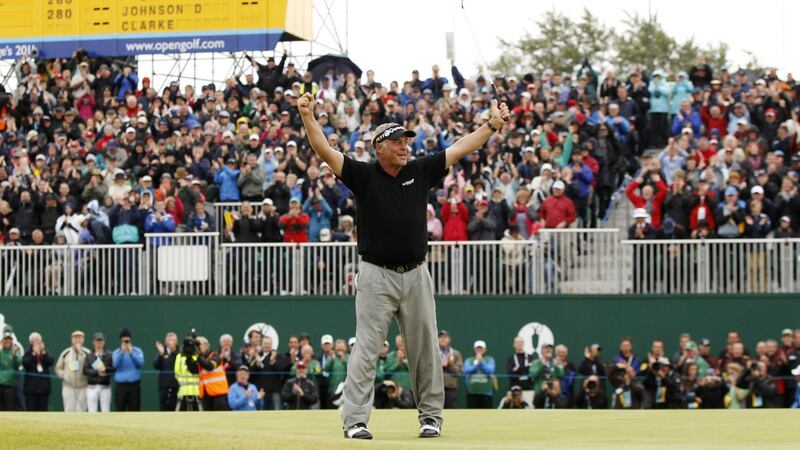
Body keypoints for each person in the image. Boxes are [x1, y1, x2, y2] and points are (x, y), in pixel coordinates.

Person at [298, 89, 510, 439]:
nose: (405, 145)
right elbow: (324, 150)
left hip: (416, 274)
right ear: (379, 146)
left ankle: (431, 418)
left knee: (425, 349)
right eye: (397, 141)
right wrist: (308, 115)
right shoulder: (363, 175)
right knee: (366, 350)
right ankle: (355, 422)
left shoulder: (420, 170)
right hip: (375, 275)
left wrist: (491, 125)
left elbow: (460, 148)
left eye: (406, 140)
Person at [55, 330, 90, 412]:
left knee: (81, 411)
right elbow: (58, 368)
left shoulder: (88, 352)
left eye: (80, 338)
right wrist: (62, 374)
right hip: (68, 387)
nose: (77, 340)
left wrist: (81, 352)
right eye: (75, 338)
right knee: (68, 410)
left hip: (83, 387)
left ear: (83, 339)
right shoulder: (65, 353)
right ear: (72, 339)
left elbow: (96, 365)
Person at [113, 328, 144, 411]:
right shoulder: (116, 352)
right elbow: (115, 365)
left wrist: (131, 353)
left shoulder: (137, 351)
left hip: (134, 386)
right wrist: (122, 352)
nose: (126, 343)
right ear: (121, 341)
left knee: (134, 410)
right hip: (121, 387)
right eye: (124, 340)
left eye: (127, 340)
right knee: (120, 410)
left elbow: (140, 363)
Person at [83, 332, 115, 413]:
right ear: (93, 342)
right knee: (92, 412)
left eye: (101, 340)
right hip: (91, 387)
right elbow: (85, 370)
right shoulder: (89, 355)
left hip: (105, 387)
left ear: (104, 342)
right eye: (97, 340)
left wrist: (105, 369)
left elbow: (114, 368)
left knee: (105, 411)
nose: (99, 342)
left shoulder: (110, 354)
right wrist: (97, 372)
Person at [22, 332, 54, 411]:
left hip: (43, 389)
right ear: (32, 343)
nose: (39, 343)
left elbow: (50, 362)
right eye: (37, 341)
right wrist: (33, 354)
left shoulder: (45, 352)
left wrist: (43, 353)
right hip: (31, 389)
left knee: (43, 411)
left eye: (40, 341)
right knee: (31, 411)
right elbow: (25, 363)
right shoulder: (28, 352)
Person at [464, 340, 496, 409]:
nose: (479, 350)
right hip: (472, 392)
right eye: (477, 348)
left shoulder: (490, 359)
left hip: (486, 393)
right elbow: (466, 371)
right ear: (474, 350)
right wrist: (477, 365)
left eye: (481, 348)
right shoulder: (469, 360)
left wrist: (481, 362)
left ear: (485, 350)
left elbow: (490, 371)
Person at [153, 332, 180, 411]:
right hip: (164, 387)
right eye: (169, 340)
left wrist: (173, 352)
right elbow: (156, 365)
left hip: (176, 387)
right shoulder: (162, 352)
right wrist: (161, 355)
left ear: (176, 342)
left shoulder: (179, 352)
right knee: (163, 409)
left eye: (173, 340)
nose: (170, 342)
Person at [437, 330, 463, 409]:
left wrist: (450, 363)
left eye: (445, 337)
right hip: (436, 387)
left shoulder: (455, 354)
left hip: (451, 387)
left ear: (449, 339)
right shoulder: (433, 353)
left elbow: (459, 370)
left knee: (450, 410)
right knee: (436, 410)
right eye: (440, 337)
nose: (442, 339)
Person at [507, 336, 534, 407]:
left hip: (528, 389)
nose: (519, 344)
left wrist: (517, 369)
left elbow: (532, 372)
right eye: (517, 342)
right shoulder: (511, 358)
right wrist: (527, 367)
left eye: (521, 342)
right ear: (514, 344)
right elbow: (510, 374)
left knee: (530, 411)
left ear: (524, 343)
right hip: (515, 390)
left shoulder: (530, 357)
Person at [0, 329, 22, 411]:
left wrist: (14, 355)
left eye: (10, 340)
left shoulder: (14, 352)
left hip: (9, 385)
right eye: (6, 340)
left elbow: (18, 364)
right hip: (0, 383)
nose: (8, 342)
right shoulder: (0, 352)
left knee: (9, 407)